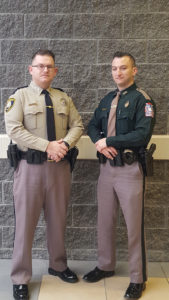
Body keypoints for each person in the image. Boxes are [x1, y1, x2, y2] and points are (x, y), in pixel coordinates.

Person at [4, 49, 84, 300]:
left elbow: (78, 125)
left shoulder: (63, 98)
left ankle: (58, 265)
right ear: (31, 69)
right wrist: (47, 145)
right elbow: (14, 129)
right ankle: (20, 277)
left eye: (49, 66)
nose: (44, 70)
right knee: (25, 225)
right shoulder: (19, 97)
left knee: (58, 220)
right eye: (39, 66)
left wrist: (65, 145)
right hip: (30, 169)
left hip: (59, 169)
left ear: (55, 70)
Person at [83, 51, 156, 299]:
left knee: (134, 226)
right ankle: (105, 265)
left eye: (123, 68)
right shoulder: (107, 99)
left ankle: (138, 279)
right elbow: (92, 125)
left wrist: (110, 139)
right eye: (114, 68)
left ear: (134, 70)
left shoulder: (142, 100)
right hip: (106, 170)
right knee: (104, 221)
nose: (118, 73)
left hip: (129, 170)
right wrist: (100, 143)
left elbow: (141, 135)